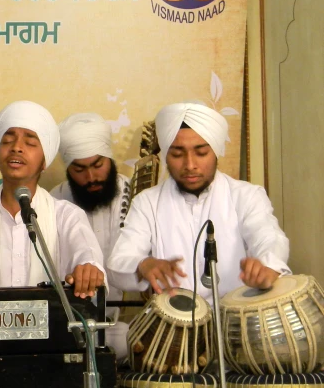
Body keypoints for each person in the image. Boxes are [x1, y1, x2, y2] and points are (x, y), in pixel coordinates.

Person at [107, 102, 291, 303]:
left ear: (216, 152)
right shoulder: (147, 202)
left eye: (201, 153)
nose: (190, 165)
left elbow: (268, 237)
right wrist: (143, 264)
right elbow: (119, 261)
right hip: (176, 326)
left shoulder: (246, 195)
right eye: (177, 154)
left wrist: (267, 266)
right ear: (166, 155)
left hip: (236, 321)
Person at [0, 101, 106, 299]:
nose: (16, 148)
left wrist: (89, 271)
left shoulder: (66, 216)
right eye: (7, 140)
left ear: (45, 160)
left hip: (54, 328)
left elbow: (88, 256)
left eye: (30, 142)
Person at [50, 113, 132, 358]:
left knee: (131, 340)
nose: (92, 177)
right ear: (68, 168)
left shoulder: (135, 194)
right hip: (72, 321)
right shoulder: (54, 202)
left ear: (109, 158)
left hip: (118, 323)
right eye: (80, 169)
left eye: (98, 165)